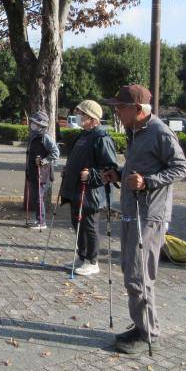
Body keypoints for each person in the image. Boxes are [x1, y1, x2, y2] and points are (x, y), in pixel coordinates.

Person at [101, 84, 186, 355]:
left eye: (120, 108)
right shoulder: (135, 131)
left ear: (137, 109)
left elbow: (181, 167)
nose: (116, 112)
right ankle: (140, 324)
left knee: (140, 274)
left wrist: (148, 182)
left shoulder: (159, 132)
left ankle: (148, 332)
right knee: (130, 271)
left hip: (150, 215)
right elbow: (138, 166)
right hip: (131, 211)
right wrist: (119, 173)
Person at [58, 100, 118, 273]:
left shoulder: (102, 138)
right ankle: (82, 256)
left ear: (92, 118)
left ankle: (92, 262)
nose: (79, 116)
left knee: (89, 226)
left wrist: (91, 175)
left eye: (82, 114)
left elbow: (109, 169)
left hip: (91, 192)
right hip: (75, 189)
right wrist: (68, 169)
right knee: (77, 223)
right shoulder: (82, 135)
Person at [25, 111, 60, 229]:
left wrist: (44, 161)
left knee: (39, 198)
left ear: (41, 124)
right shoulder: (34, 136)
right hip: (33, 172)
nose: (32, 124)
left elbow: (55, 153)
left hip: (42, 173)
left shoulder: (46, 137)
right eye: (32, 122)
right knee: (35, 197)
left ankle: (42, 222)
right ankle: (37, 219)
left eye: (34, 122)